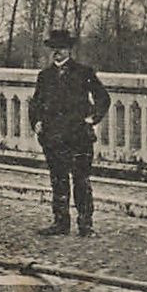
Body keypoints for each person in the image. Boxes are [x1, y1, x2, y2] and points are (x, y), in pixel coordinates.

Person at [28, 28, 110, 237]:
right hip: (53, 138)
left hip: (78, 137)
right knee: (58, 180)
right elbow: (35, 103)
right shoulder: (44, 76)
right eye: (54, 49)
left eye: (62, 48)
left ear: (69, 50)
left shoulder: (84, 72)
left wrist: (92, 119)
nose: (58, 53)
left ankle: (85, 224)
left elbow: (103, 98)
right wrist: (36, 122)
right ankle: (60, 223)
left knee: (81, 180)